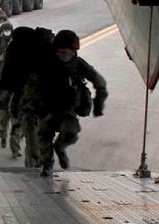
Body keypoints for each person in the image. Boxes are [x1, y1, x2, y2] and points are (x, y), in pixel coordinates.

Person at [38, 30, 108, 176]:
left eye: (68, 50)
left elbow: (99, 82)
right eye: (61, 49)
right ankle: (48, 160)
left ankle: (58, 150)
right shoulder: (47, 62)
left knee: (68, 133)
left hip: (65, 107)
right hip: (49, 106)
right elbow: (31, 85)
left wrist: (98, 105)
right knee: (46, 135)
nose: (65, 53)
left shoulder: (76, 64)